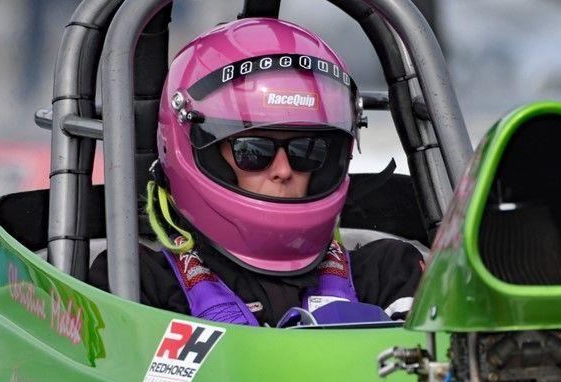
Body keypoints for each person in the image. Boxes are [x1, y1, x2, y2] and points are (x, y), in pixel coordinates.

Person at [90, 18, 423, 327]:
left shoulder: (386, 273)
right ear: (201, 151)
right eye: (253, 151)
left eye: (306, 151)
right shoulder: (136, 281)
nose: (283, 170)